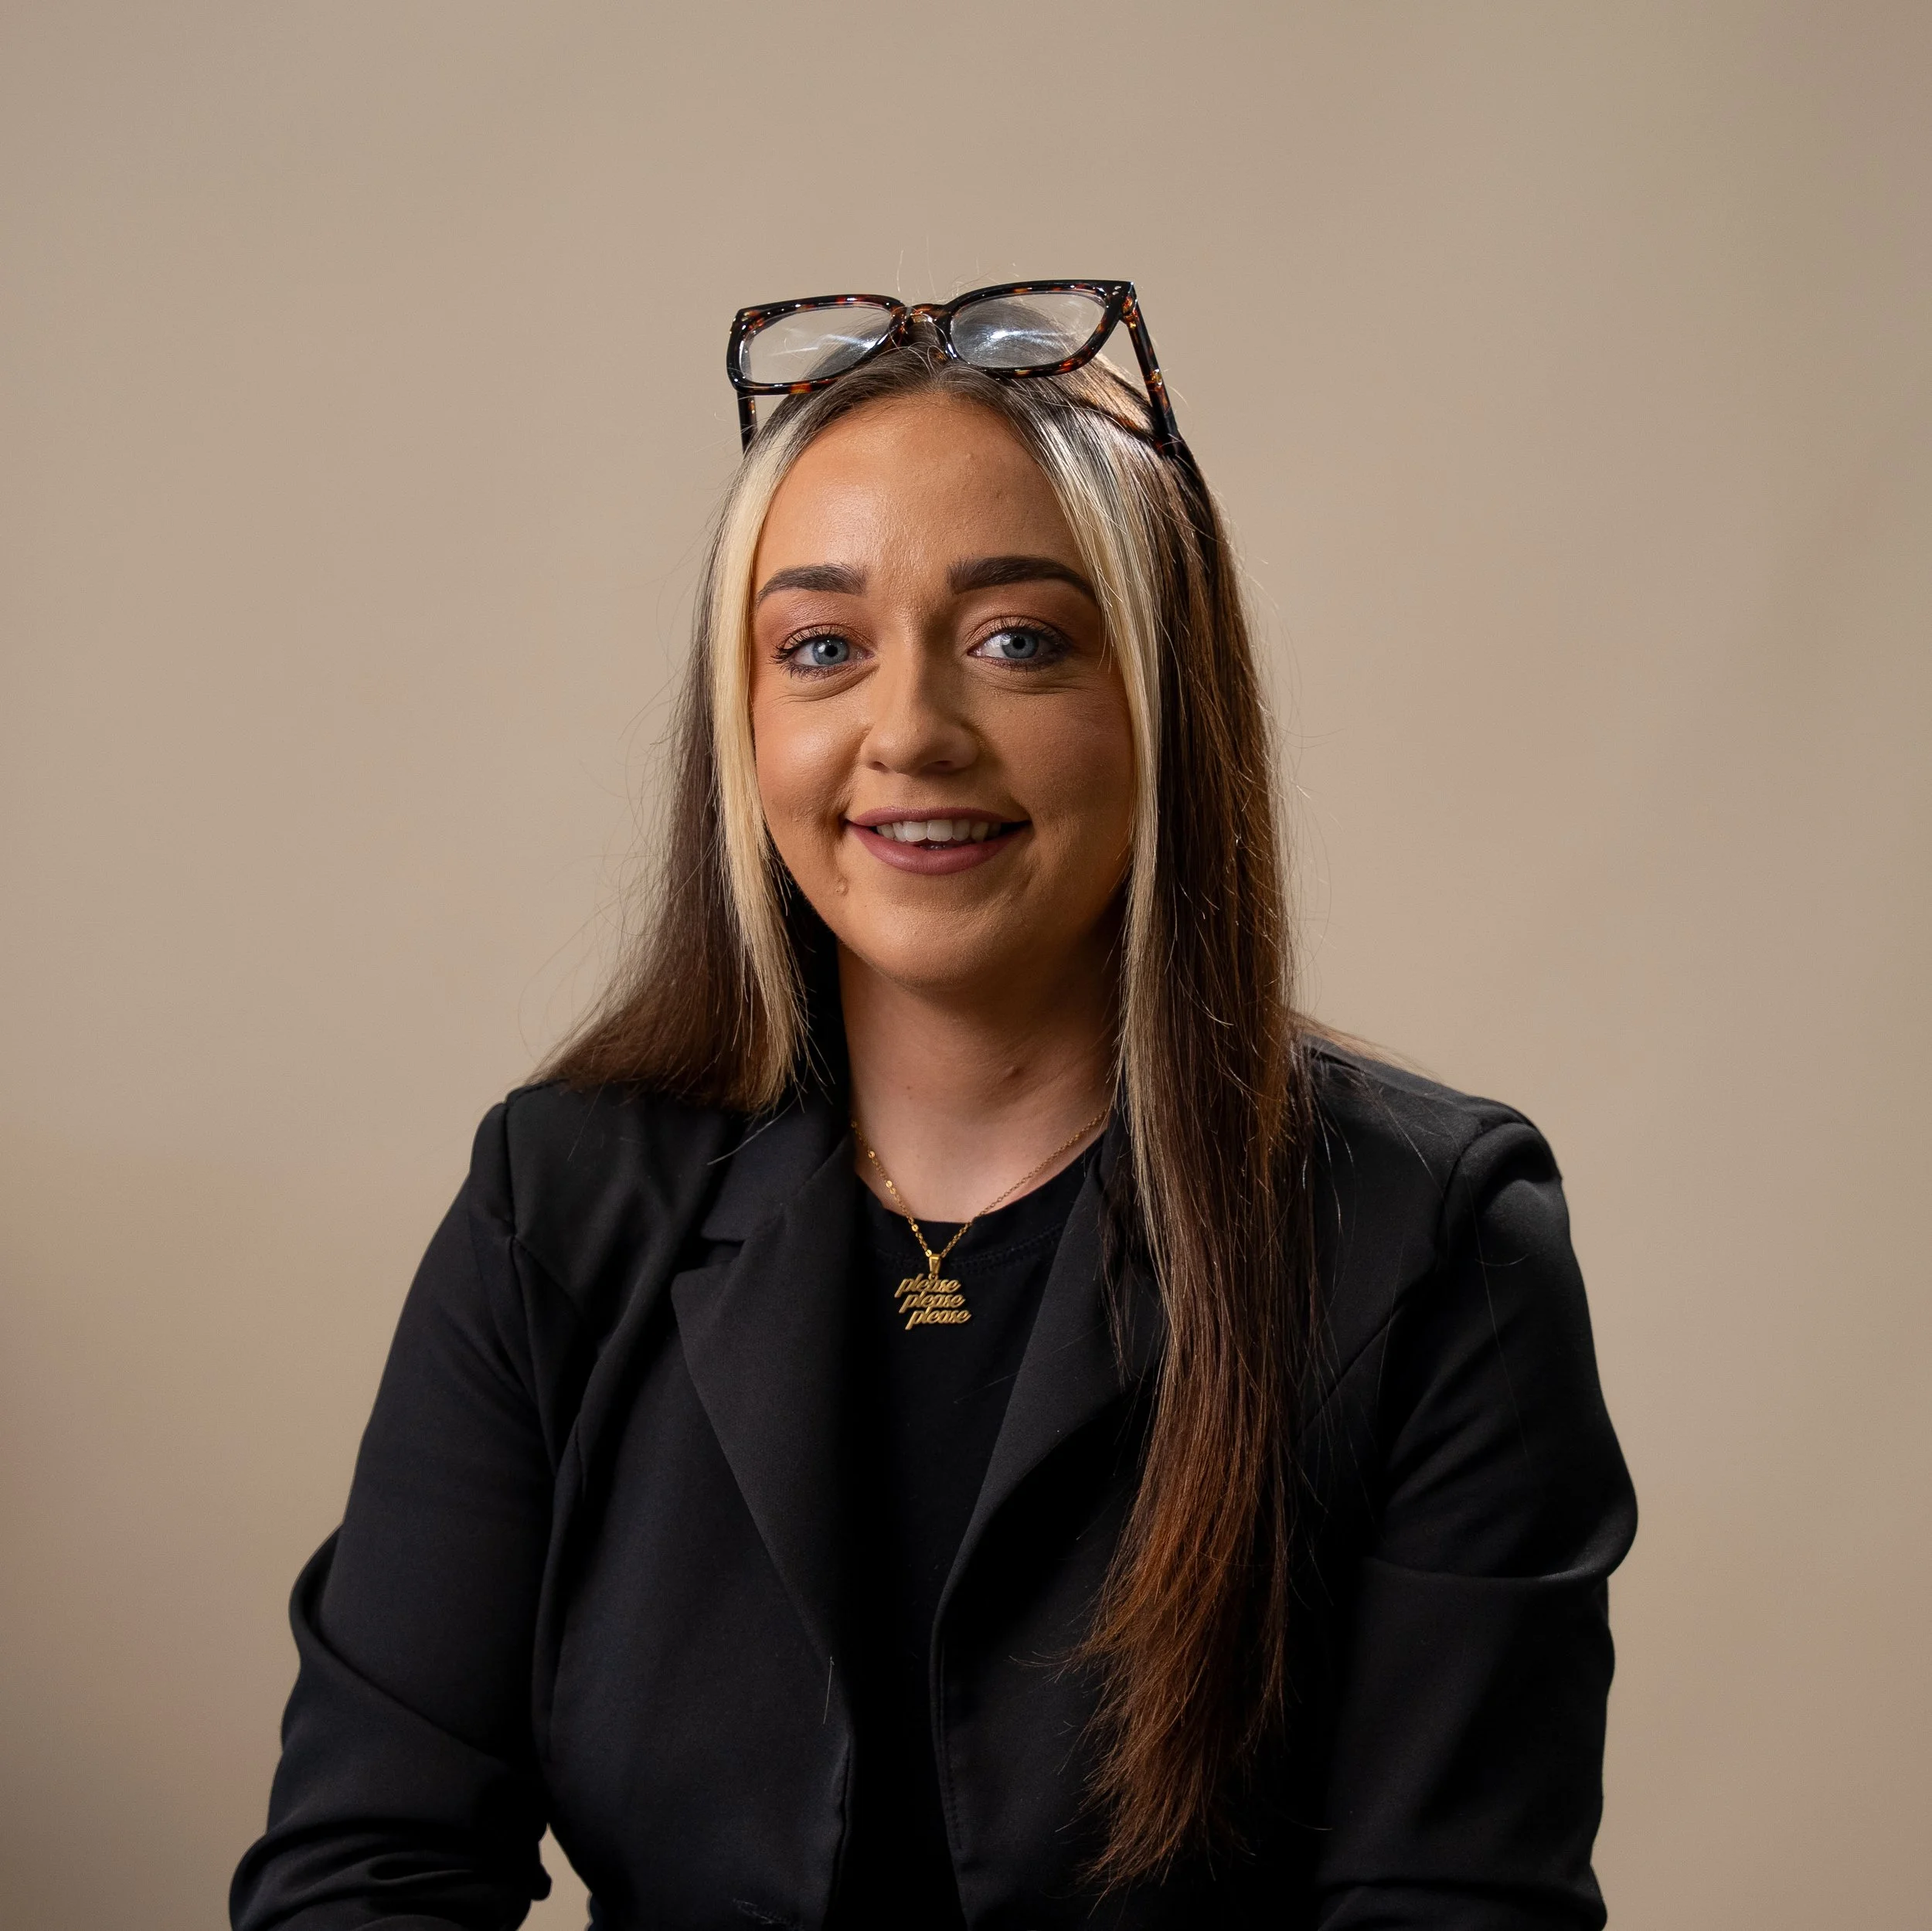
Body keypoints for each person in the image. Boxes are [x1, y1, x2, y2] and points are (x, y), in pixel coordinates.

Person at [232, 282, 1634, 1930]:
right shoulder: (558, 1205)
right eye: (819, 647)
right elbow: (363, 1872)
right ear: (746, 726)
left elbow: (1449, 1908)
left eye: (1015, 640)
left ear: (1161, 702)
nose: (908, 730)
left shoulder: (1430, 1237)